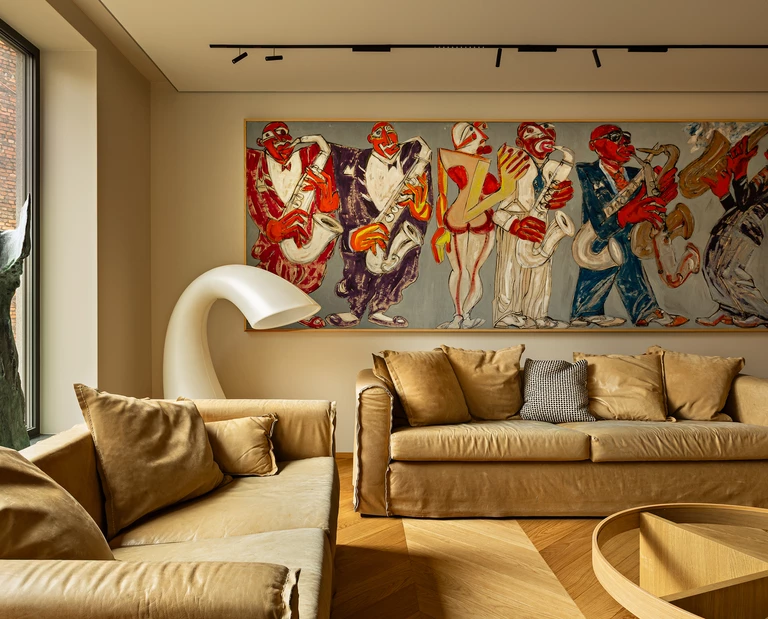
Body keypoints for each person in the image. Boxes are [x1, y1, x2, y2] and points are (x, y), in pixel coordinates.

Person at [570, 124, 688, 327]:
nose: (624, 142)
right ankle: (643, 310)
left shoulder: (637, 173)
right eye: (615, 137)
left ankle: (588, 312)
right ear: (594, 146)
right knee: (620, 244)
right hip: (594, 237)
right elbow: (600, 219)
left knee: (623, 244)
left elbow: (643, 208)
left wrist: (658, 192)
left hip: (622, 236)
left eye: (626, 137)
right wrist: (629, 214)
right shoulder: (587, 172)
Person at [326, 122, 432, 328]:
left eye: (391, 132)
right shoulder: (351, 161)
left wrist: (420, 208)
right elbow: (344, 209)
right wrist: (352, 240)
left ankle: (380, 308)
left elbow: (425, 210)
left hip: (397, 232)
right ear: (371, 140)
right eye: (380, 134)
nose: (388, 139)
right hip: (365, 234)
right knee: (360, 264)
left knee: (405, 263)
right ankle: (355, 307)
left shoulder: (415, 163)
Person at [432, 121, 530, 329]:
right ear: (470, 137)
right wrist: (505, 189)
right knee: (467, 271)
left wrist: (442, 225)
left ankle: (461, 316)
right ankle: (461, 316)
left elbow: (444, 195)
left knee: (464, 271)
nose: (484, 140)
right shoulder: (472, 163)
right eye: (480, 137)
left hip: (459, 218)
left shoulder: (449, 158)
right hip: (474, 219)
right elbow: (470, 204)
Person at [246, 121, 340, 328]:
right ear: (261, 142)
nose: (280, 140)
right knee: (277, 273)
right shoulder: (252, 162)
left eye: (283, 134)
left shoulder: (313, 155)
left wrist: (324, 187)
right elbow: (254, 202)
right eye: (271, 136)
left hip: (308, 232)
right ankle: (278, 310)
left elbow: (330, 204)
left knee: (310, 274)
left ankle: (298, 309)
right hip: (277, 234)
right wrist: (275, 229)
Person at [493, 122, 575, 329]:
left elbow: (556, 189)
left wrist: (559, 195)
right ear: (520, 142)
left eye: (546, 134)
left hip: (540, 220)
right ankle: (506, 314)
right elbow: (497, 211)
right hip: (515, 221)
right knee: (510, 270)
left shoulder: (552, 167)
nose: (541, 138)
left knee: (541, 270)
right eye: (533, 134)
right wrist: (514, 225)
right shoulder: (513, 163)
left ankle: (538, 315)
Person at [699, 134, 768, 327]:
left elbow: (746, 203)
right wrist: (724, 195)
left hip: (747, 227)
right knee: (710, 268)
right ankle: (729, 308)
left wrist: (740, 172)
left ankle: (761, 312)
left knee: (729, 271)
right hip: (733, 222)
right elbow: (741, 204)